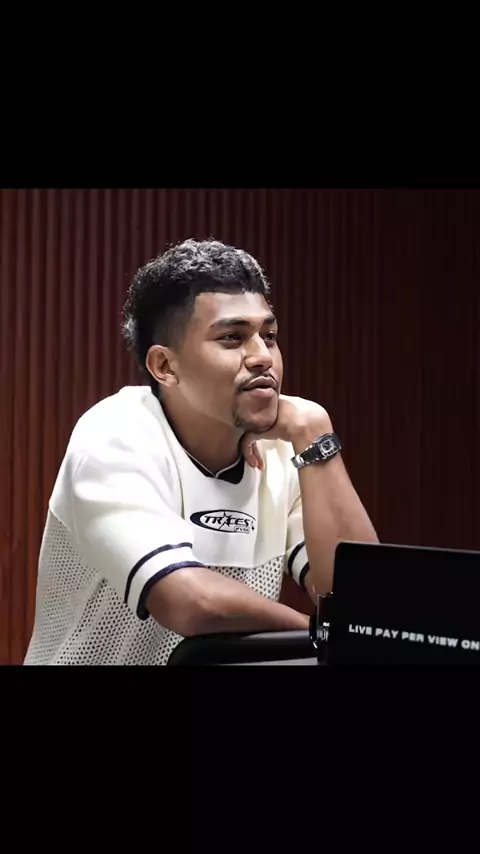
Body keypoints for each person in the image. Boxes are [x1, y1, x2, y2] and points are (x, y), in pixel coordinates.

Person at [24, 238, 378, 665]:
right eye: (232, 338)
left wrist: (315, 432)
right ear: (165, 367)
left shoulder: (285, 453)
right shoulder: (115, 433)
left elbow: (366, 606)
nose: (262, 357)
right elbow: (189, 601)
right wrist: (317, 635)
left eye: (269, 336)